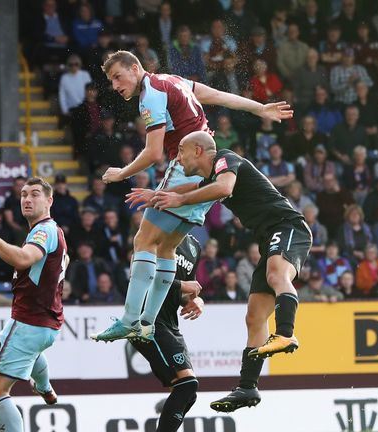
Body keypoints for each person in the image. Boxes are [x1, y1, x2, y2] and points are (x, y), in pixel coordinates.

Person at [91, 50, 292, 342]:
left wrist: (122, 173)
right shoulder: (173, 81)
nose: (115, 85)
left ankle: (130, 319)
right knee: (166, 249)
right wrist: (258, 108)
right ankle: (146, 324)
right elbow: (218, 95)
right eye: (111, 81)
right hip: (206, 167)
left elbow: (154, 152)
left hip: (187, 165)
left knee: (143, 240)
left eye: (118, 77)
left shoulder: (150, 94)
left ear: (135, 69)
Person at [145, 130, 312, 412]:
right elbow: (194, 187)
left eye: (181, 151)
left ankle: (286, 333)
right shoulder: (212, 176)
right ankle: (248, 387)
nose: (178, 157)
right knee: (255, 315)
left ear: (199, 150)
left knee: (275, 275)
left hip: (287, 227)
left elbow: (223, 189)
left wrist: (179, 201)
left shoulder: (226, 159)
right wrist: (159, 194)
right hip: (269, 237)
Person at [0, 177, 68, 432]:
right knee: (32, 353)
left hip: (29, 322)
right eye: (24, 195)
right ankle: (44, 387)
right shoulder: (56, 231)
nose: (27, 199)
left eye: (35, 194)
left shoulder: (43, 231)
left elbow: (23, 259)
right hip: (47, 326)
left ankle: (43, 387)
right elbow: (65, 261)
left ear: (49, 201)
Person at [129, 234, 204, 432]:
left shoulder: (194, 245)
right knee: (187, 385)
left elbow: (189, 290)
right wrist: (180, 284)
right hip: (147, 320)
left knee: (187, 392)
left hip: (169, 324)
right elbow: (140, 274)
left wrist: (196, 301)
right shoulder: (157, 229)